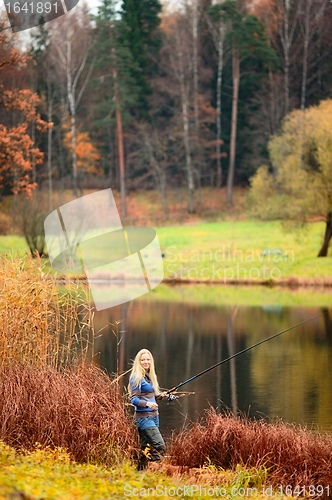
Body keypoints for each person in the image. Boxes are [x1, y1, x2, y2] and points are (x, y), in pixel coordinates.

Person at [128, 348, 167, 470]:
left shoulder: (149, 376)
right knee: (160, 446)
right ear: (138, 362)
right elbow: (133, 399)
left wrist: (161, 396)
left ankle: (139, 473)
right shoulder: (136, 377)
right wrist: (148, 405)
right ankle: (156, 469)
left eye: (148, 359)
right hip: (144, 418)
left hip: (154, 417)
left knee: (145, 449)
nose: (146, 362)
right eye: (143, 360)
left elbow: (149, 396)